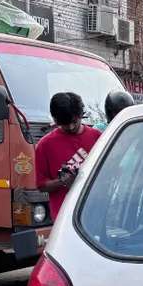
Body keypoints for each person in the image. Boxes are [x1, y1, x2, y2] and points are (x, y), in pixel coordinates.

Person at [35, 92, 100, 220]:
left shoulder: (97, 137)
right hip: (64, 217)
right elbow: (41, 185)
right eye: (64, 124)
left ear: (81, 115)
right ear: (54, 120)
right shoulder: (45, 145)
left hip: (95, 212)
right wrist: (62, 181)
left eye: (74, 122)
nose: (70, 127)